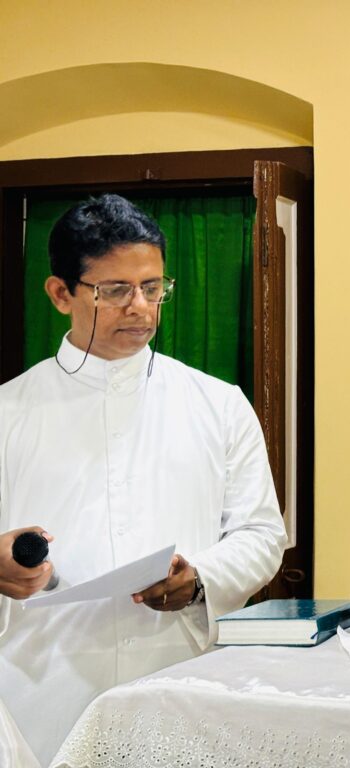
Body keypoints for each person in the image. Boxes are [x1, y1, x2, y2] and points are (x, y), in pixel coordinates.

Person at [0, 195, 287, 764]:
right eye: (115, 291)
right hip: (40, 687)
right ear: (60, 294)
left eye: (153, 288)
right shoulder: (9, 412)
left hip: (180, 679)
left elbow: (261, 535)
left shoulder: (218, 405)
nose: (140, 308)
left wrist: (200, 578)